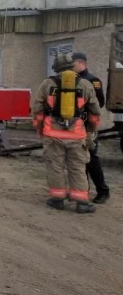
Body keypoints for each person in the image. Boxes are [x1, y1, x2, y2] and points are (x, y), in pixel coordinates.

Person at [32, 53, 101, 214]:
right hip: (77, 134)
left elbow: (38, 109)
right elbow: (94, 111)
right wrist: (91, 130)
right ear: (72, 67)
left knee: (55, 166)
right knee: (77, 167)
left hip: (53, 133)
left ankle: (57, 199)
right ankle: (82, 202)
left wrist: (39, 127)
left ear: (56, 68)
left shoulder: (47, 84)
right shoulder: (85, 84)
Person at [71, 52, 110, 203]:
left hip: (88, 127)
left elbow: (99, 103)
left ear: (81, 63)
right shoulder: (73, 80)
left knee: (92, 159)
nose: (71, 67)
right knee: (79, 160)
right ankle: (83, 191)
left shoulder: (92, 80)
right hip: (75, 126)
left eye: (73, 64)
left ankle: (103, 191)